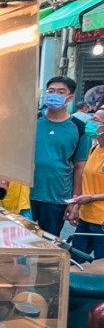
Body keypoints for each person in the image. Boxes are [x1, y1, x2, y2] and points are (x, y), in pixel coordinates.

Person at [32, 76, 89, 236]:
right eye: (51, 91)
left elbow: (80, 167)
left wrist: (74, 202)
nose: (54, 95)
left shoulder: (79, 128)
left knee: (48, 247)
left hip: (56, 197)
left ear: (70, 97)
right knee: (17, 245)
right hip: (24, 195)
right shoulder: (31, 121)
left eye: (60, 92)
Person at [69, 109, 104, 259]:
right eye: (92, 119)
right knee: (76, 262)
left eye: (95, 121)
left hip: (101, 221)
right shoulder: (94, 149)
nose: (90, 123)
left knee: (99, 268)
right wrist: (77, 206)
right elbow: (86, 181)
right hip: (86, 218)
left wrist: (91, 197)